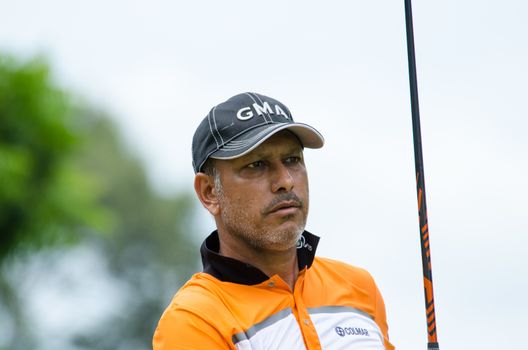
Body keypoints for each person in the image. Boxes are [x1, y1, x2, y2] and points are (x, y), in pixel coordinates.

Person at [153, 92, 395, 349]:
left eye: (292, 160)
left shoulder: (359, 287)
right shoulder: (194, 319)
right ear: (209, 192)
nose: (286, 181)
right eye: (257, 165)